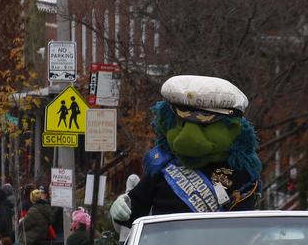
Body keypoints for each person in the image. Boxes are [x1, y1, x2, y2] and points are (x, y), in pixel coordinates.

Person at [110, 75, 262, 227]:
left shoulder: (241, 174)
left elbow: (242, 226)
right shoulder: (162, 165)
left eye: (204, 126)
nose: (185, 137)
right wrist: (124, 208)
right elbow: (135, 213)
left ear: (233, 128)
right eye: (182, 123)